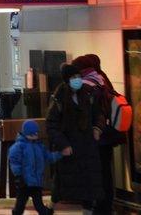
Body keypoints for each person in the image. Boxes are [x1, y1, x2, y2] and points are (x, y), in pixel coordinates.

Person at [46, 64, 104, 211]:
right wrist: (63, 144)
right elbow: (51, 125)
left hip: (87, 147)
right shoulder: (59, 98)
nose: (77, 80)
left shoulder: (88, 94)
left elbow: (99, 114)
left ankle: (88, 211)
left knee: (89, 184)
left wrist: (97, 128)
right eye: (73, 78)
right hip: (69, 147)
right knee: (62, 183)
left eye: (78, 77)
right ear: (66, 80)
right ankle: (50, 207)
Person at [72, 54, 122, 215]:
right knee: (105, 173)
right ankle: (106, 206)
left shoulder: (87, 84)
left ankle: (96, 207)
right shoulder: (102, 79)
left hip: (93, 137)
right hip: (106, 136)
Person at [8, 120, 62, 215]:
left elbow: (48, 156)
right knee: (20, 205)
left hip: (36, 182)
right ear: (26, 134)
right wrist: (18, 176)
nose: (35, 136)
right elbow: (15, 162)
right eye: (33, 134)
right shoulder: (19, 147)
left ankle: (45, 213)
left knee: (39, 204)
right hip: (24, 183)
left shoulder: (39, 146)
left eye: (36, 133)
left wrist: (60, 154)